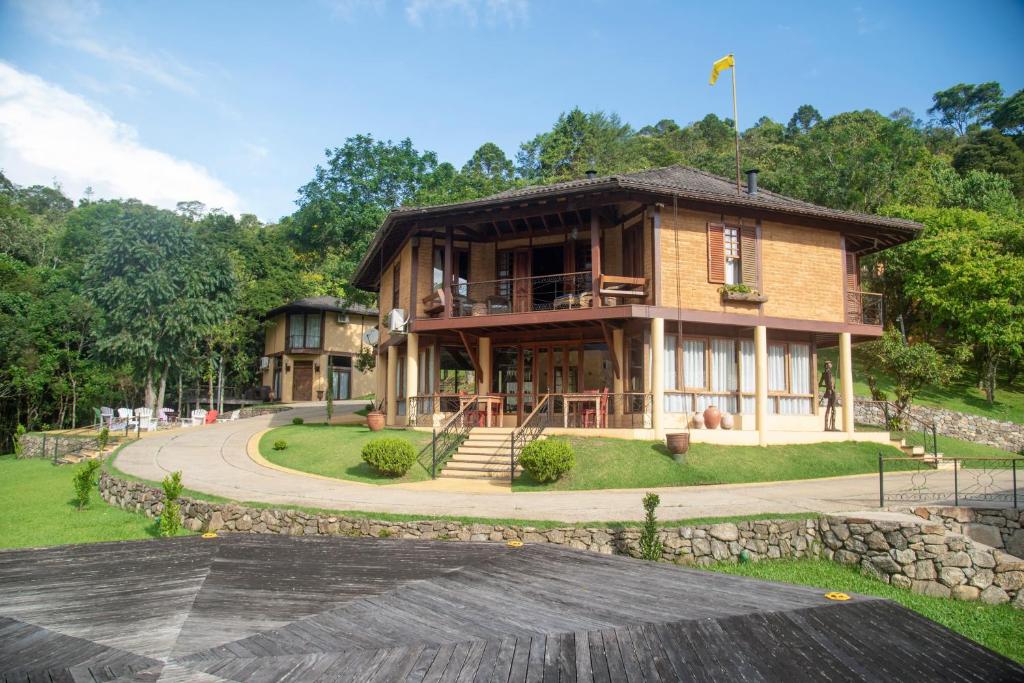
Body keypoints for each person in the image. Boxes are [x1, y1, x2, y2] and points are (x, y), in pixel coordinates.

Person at [819, 360, 837, 431]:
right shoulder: (828, 373)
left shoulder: (824, 373)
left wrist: (826, 386)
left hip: (828, 391)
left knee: (828, 409)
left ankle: (826, 427)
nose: (831, 364)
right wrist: (832, 388)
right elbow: (829, 383)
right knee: (833, 409)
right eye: (830, 363)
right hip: (832, 392)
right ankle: (833, 427)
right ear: (827, 365)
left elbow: (820, 384)